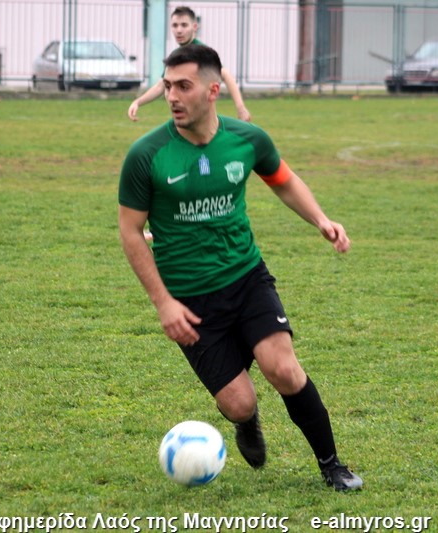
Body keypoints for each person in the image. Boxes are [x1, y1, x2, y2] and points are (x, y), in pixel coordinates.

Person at [118, 44, 362, 492]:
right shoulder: (146, 154)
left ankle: (332, 466)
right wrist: (163, 303)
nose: (172, 96)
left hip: (246, 277)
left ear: (213, 91)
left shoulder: (247, 139)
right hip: (189, 300)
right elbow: (131, 232)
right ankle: (247, 421)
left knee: (283, 369)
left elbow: (283, 180)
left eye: (183, 86)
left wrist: (321, 219)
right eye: (168, 86)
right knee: (238, 403)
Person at [127, 6, 251, 123]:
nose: (179, 30)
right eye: (175, 25)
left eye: (184, 25)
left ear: (194, 27)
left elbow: (225, 75)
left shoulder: (201, 52)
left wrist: (240, 108)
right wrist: (138, 102)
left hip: (201, 119)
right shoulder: (177, 54)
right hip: (184, 117)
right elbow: (161, 85)